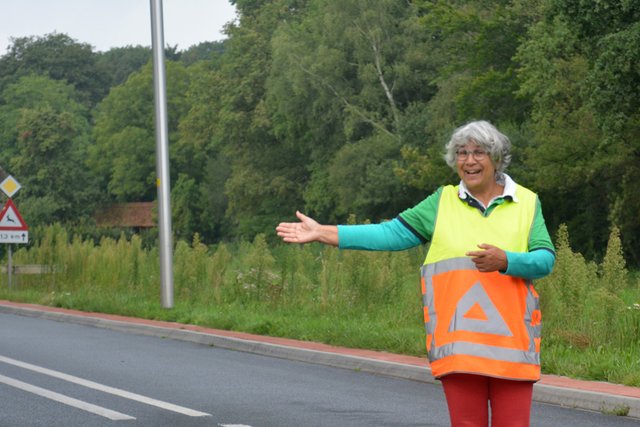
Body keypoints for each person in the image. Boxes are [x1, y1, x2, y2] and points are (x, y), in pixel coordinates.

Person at [276, 120, 555, 427]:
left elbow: (544, 260)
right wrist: (324, 232)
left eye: (479, 152)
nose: (469, 160)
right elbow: (390, 234)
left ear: (497, 159)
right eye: (461, 153)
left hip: (513, 346)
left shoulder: (526, 203)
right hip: (459, 347)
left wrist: (507, 261)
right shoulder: (441, 202)